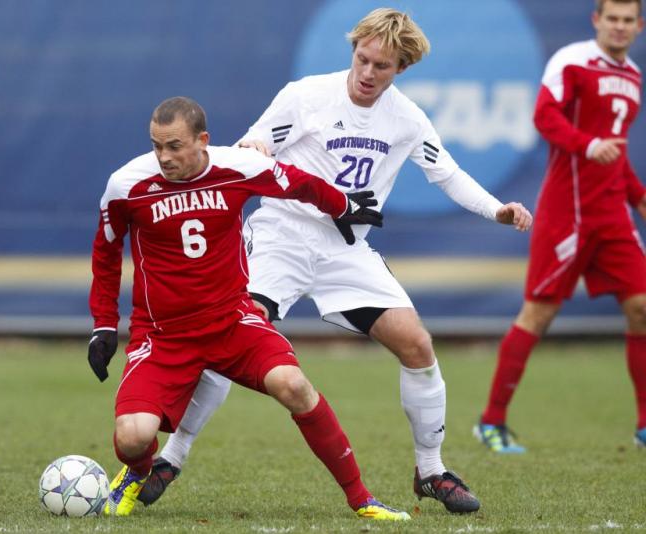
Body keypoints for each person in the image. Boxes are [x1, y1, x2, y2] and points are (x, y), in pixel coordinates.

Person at [139, 8, 533, 514]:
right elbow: (252, 146)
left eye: (383, 67)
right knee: (229, 336)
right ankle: (173, 455)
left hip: (345, 249)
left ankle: (431, 470)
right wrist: (258, 144)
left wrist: (497, 209)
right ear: (353, 49)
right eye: (363, 59)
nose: (368, 73)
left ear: (401, 69)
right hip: (281, 236)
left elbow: (448, 174)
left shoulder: (407, 118)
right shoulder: (305, 95)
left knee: (416, 344)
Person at [87, 95, 411, 521]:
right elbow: (106, 251)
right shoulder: (127, 185)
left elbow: (298, 182)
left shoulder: (238, 167)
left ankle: (362, 499)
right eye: (156, 146)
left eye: (175, 146)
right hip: (163, 335)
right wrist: (104, 325)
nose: (164, 157)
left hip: (232, 321)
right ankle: (137, 471)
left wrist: (344, 207)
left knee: (294, 386)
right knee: (132, 436)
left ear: (203, 140)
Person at [475, 0, 646, 453]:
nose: (620, 27)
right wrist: (586, 145)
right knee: (539, 314)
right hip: (567, 213)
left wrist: (637, 195)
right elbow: (544, 116)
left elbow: (617, 150)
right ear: (597, 21)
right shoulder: (572, 60)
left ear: (639, 26)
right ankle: (491, 422)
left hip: (612, 215)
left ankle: (645, 425)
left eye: (629, 20)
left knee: (643, 307)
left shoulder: (632, 77)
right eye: (613, 18)